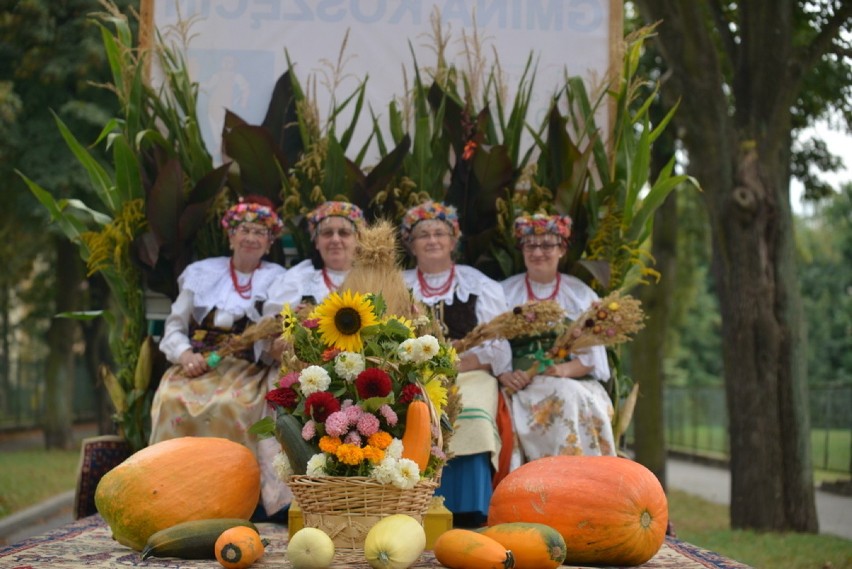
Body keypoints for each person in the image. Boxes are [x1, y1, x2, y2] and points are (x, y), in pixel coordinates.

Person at [148, 195, 288, 515]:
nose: (251, 237)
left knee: (233, 404)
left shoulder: (277, 279)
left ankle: (236, 498)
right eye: (244, 230)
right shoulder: (202, 273)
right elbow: (174, 324)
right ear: (231, 236)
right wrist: (184, 356)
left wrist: (265, 345)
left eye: (260, 232)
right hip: (196, 364)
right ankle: (167, 491)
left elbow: (274, 334)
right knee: (171, 397)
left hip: (245, 369)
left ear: (269, 243)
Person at [401, 201, 511, 525]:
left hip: (470, 373)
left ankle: (469, 504)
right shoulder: (398, 284)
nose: (432, 240)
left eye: (440, 233)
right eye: (423, 235)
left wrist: (461, 363)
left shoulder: (478, 284)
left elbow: (499, 347)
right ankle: (406, 498)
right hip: (413, 373)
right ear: (411, 244)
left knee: (470, 413)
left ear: (453, 241)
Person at [499, 212, 616, 464]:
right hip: (521, 386)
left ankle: (581, 476)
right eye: (530, 245)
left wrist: (561, 370)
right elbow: (493, 346)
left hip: (569, 378)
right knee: (564, 395)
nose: (538, 252)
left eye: (548, 245)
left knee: (569, 394)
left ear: (562, 249)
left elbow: (590, 358)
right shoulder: (504, 292)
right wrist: (505, 373)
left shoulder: (579, 294)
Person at [264, 200, 364, 313]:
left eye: (344, 233)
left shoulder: (373, 276)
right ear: (316, 242)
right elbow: (272, 319)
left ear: (358, 240)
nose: (335, 240)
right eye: (327, 233)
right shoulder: (297, 278)